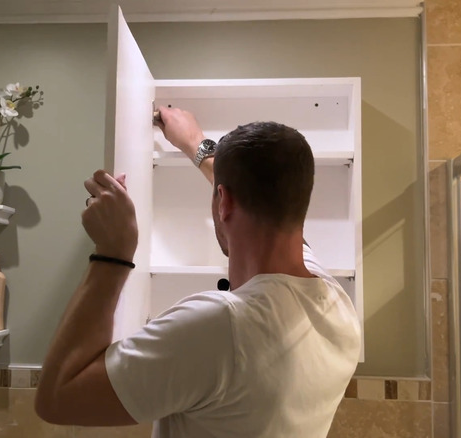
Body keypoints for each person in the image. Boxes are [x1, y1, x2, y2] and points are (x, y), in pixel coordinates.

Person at [35, 107, 361, 437]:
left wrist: (113, 253)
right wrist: (195, 143)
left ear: (223, 201)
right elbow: (261, 204)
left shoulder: (221, 328)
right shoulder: (336, 303)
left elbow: (57, 398)